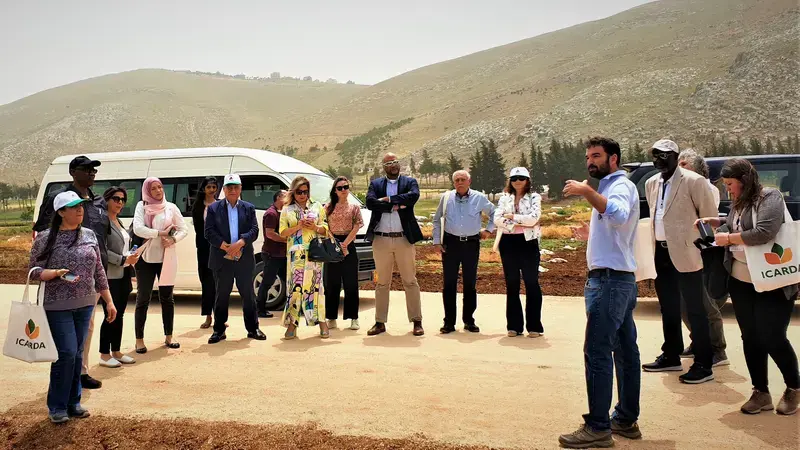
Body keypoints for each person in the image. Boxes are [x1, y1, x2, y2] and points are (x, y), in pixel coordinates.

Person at [558, 137, 641, 448]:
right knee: (624, 352)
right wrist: (591, 233)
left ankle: (597, 427)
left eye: (596, 156)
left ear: (614, 159)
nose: (590, 162)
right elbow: (615, 225)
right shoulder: (609, 186)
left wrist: (586, 190)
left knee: (597, 353)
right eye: (588, 157)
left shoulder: (617, 185)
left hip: (608, 284)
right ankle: (625, 419)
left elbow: (618, 214)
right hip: (618, 280)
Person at [700, 158, 799, 416]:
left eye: (731, 185)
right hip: (742, 281)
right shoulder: (740, 202)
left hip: (771, 281)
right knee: (751, 337)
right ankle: (761, 392)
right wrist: (718, 222)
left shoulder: (770, 197)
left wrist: (729, 237)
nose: (728, 190)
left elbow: (765, 230)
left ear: (744, 180)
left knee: (773, 336)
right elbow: (738, 223)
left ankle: (794, 387)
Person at [29, 191, 117, 424]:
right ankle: (56, 406)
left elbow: (99, 270)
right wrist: (54, 274)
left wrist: (108, 300)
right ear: (60, 212)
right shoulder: (45, 238)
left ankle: (73, 403)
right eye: (74, 206)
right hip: (58, 305)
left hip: (86, 303)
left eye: (81, 206)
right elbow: (34, 271)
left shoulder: (89, 234)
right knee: (66, 353)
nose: (80, 210)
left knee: (77, 354)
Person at [641, 139, 718, 384]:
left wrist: (705, 247)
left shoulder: (694, 181)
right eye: (655, 156)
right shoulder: (652, 183)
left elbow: (709, 218)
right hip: (661, 252)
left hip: (687, 251)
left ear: (675, 156)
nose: (658, 160)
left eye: (663, 156)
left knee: (695, 309)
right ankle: (671, 354)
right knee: (668, 307)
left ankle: (704, 363)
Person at [34, 155, 109, 390]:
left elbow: (102, 235)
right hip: (63, 282)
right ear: (73, 172)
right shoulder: (58, 199)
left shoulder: (98, 201)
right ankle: (65, 384)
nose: (91, 174)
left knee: (87, 329)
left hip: (92, 275)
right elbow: (43, 233)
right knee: (67, 344)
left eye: (93, 170)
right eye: (86, 169)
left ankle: (82, 372)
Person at [677, 149, 729, 366]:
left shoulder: (705, 188)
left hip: (704, 252)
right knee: (685, 303)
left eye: (684, 164)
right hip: (685, 252)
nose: (678, 168)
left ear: (696, 167)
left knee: (706, 304)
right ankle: (699, 341)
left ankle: (718, 349)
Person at [365, 153, 424, 337]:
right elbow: (370, 203)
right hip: (381, 239)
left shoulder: (409, 182)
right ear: (384, 166)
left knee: (410, 280)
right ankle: (380, 322)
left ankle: (416, 321)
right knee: (382, 283)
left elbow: (413, 197)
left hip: (403, 239)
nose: (393, 165)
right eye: (389, 163)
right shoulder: (376, 185)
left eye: (395, 162)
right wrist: (396, 206)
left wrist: (389, 200)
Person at [205, 174, 266, 344]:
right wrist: (225, 246)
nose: (232, 190)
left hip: (244, 258)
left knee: (248, 294)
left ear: (240, 189)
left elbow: (254, 230)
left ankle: (253, 328)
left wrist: (240, 242)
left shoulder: (249, 208)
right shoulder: (213, 208)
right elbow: (208, 232)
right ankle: (219, 330)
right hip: (221, 258)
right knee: (221, 295)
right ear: (223, 189)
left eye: (236, 187)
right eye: (229, 187)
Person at [432, 170, 494, 334]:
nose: (460, 182)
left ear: (469, 181)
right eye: (457, 180)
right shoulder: (446, 198)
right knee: (449, 284)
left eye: (463, 179)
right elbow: (437, 219)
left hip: (471, 244)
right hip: (450, 244)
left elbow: (495, 213)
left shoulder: (479, 198)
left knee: (470, 284)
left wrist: (488, 230)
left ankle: (469, 320)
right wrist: (437, 241)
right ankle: (449, 323)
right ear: (453, 183)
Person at [132, 177, 189, 353]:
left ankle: (169, 336)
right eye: (154, 188)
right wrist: (160, 233)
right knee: (143, 299)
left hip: (166, 258)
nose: (158, 191)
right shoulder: (142, 207)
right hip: (146, 259)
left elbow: (183, 229)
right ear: (148, 191)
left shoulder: (171, 207)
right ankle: (139, 340)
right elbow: (138, 229)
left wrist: (172, 239)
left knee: (167, 299)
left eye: (160, 187)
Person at [492, 167, 544, 338]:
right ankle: (514, 326)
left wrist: (512, 217)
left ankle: (534, 326)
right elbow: (497, 219)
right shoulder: (504, 197)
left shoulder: (534, 197)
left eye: (521, 178)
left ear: (527, 180)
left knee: (531, 282)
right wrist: (519, 222)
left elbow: (534, 218)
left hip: (528, 243)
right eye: (514, 178)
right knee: (512, 283)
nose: (518, 181)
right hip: (508, 243)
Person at [279, 176, 330, 339]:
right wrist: (297, 227)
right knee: (295, 289)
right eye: (299, 192)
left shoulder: (317, 207)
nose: (303, 195)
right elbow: (282, 233)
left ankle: (322, 322)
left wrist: (315, 227)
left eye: (305, 192)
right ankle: (292, 324)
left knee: (316, 287)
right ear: (293, 192)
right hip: (296, 256)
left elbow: (326, 229)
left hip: (314, 253)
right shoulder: (287, 210)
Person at [98, 187, 139, 368]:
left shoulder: (119, 221)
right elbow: (102, 250)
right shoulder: (102, 221)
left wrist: (131, 256)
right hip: (110, 275)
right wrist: (122, 259)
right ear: (107, 200)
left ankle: (116, 351)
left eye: (123, 199)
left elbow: (123, 245)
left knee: (120, 314)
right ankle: (104, 354)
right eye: (116, 199)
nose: (120, 202)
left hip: (123, 273)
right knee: (110, 314)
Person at [324, 177, 364, 331]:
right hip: (332, 244)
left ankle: (353, 318)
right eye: (340, 188)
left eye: (345, 187)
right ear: (335, 190)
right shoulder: (328, 207)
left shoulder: (354, 208)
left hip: (349, 244)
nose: (343, 190)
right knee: (332, 283)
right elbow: (324, 226)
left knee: (351, 284)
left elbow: (357, 226)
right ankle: (331, 317)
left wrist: (345, 244)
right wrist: (335, 243)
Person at [191, 176, 219, 328]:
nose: (211, 190)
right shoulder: (198, 206)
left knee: (219, 283)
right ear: (204, 189)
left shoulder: (220, 205)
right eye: (209, 187)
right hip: (203, 248)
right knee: (206, 282)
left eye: (214, 187)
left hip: (218, 248)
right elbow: (198, 229)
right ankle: (208, 317)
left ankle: (220, 317)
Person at [256, 190, 288, 319]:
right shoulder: (271, 213)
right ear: (279, 197)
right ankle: (260, 309)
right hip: (272, 254)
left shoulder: (281, 213)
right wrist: (286, 239)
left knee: (288, 280)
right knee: (267, 282)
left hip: (281, 254)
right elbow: (270, 234)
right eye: (286, 196)